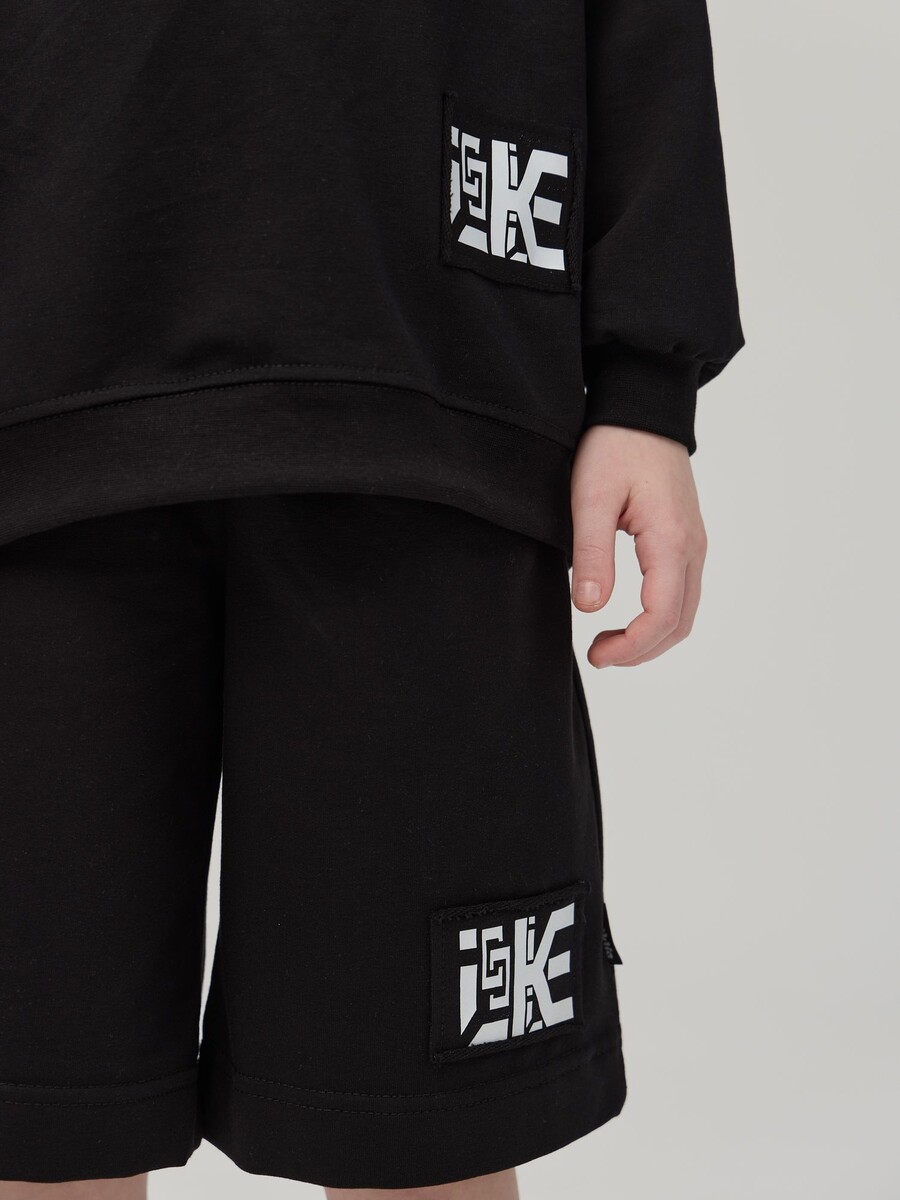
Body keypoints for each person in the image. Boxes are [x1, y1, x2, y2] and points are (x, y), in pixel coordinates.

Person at [0, 0, 743, 1196]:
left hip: (433, 395)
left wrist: (647, 386)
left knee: (420, 1131)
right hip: (34, 391)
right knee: (34, 1120)